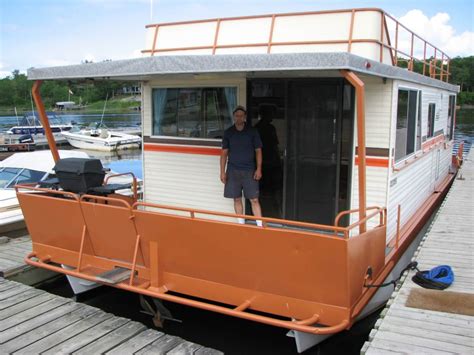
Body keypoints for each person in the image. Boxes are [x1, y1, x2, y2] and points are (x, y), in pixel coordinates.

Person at [220, 105, 263, 225]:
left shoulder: (252, 132)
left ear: (245, 117)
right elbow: (224, 153)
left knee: (254, 199)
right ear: (234, 117)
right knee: (237, 198)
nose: (239, 118)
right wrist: (222, 172)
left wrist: (259, 169)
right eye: (236, 116)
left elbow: (258, 150)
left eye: (241, 116)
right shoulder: (228, 133)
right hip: (233, 170)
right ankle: (241, 224)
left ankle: (260, 226)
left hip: (249, 170)